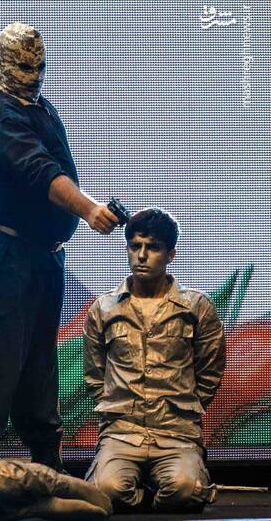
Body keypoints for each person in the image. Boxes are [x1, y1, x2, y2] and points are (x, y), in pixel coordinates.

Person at [0, 21, 118, 465]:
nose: (33, 75)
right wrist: (89, 209)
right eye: (24, 68)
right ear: (2, 64)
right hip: (1, 261)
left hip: (39, 260)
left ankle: (49, 465)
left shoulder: (37, 106)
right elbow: (39, 170)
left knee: (38, 367)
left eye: (39, 67)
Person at [83, 208, 226, 512]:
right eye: (135, 246)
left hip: (176, 433)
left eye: (153, 247)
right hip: (122, 433)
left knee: (185, 491)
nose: (142, 256)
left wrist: (182, 408)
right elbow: (95, 375)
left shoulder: (196, 307)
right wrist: (116, 407)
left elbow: (210, 371)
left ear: (170, 254)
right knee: (105, 493)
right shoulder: (104, 309)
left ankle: (161, 489)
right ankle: (144, 493)